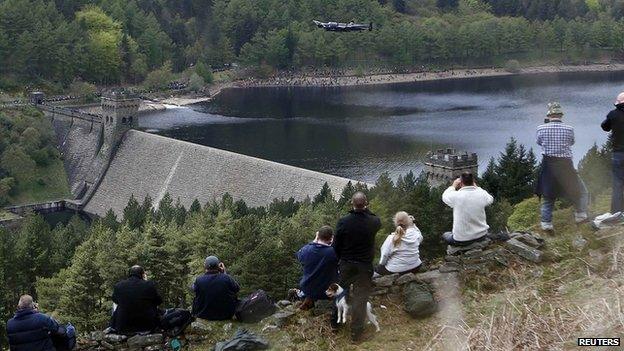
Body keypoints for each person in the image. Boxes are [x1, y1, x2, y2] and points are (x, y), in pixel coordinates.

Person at [333, 192, 381, 342]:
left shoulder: (344, 221)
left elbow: (336, 245)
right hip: (364, 267)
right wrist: (365, 210)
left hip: (347, 264)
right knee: (360, 299)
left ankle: (335, 324)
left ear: (351, 204)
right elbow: (373, 219)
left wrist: (340, 259)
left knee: (340, 294)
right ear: (366, 203)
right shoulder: (373, 221)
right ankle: (356, 334)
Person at [535, 102, 589, 231]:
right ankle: (580, 215)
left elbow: (539, 142)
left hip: (548, 165)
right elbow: (572, 142)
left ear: (549, 115)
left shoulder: (541, 128)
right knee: (580, 191)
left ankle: (546, 224)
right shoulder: (569, 128)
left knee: (548, 195)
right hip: (565, 165)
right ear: (561, 115)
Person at [442, 172, 494, 245]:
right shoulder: (482, 194)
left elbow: (444, 196)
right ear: (473, 182)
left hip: (462, 239)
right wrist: (477, 187)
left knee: (446, 234)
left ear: (461, 183)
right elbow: (490, 199)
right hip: (481, 236)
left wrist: (453, 186)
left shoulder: (456, 196)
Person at [7, 295, 73, 351]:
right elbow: (58, 329)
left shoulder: (9, 323)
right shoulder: (41, 318)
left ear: (19, 306)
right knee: (70, 329)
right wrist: (37, 313)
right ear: (32, 305)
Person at [295, 225, 338, 310]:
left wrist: (315, 239)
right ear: (331, 238)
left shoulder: (306, 250)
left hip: (308, 289)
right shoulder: (333, 253)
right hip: (326, 292)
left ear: (318, 236)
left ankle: (308, 299)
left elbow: (299, 255)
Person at [111, 265, 163, 334]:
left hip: (123, 327)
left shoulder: (118, 286)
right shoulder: (149, 285)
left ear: (129, 274)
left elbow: (115, 300)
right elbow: (159, 301)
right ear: (142, 275)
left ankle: (112, 327)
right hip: (148, 326)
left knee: (117, 305)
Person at [192, 256, 240, 321]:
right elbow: (236, 289)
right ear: (218, 266)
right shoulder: (226, 278)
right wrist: (224, 273)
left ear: (206, 266)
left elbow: (194, 289)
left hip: (203, 314)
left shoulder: (199, 280)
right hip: (226, 315)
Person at [602, 93, 624, 215]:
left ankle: (617, 212)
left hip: (618, 154)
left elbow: (604, 127)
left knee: (618, 184)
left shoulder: (613, 114)